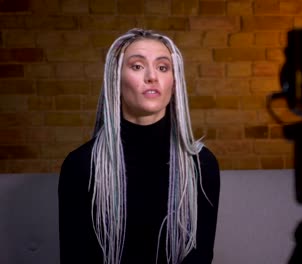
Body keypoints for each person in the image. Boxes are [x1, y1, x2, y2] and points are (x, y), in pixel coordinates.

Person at [58, 28, 220, 264]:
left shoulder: (201, 163)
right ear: (116, 80)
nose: (152, 76)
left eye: (163, 67)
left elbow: (200, 256)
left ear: (174, 83)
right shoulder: (81, 165)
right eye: (137, 66)